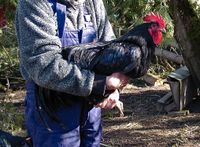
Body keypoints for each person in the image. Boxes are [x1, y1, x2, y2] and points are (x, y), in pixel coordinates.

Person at [15, 0, 128, 146]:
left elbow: (110, 50)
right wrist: (99, 83)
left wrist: (112, 89)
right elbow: (43, 63)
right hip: (51, 105)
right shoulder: (34, 3)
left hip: (91, 105)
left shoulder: (92, 2)